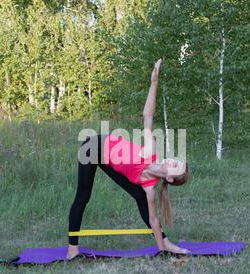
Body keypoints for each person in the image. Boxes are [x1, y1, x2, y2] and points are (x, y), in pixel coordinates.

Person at [67, 59, 190, 260]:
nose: (172, 160)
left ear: (169, 178)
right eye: (176, 160)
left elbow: (153, 217)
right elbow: (147, 115)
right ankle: (72, 249)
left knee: (141, 197)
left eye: (175, 166)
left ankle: (164, 244)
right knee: (83, 195)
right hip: (94, 146)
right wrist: (154, 82)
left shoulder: (150, 187)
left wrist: (161, 250)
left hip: (109, 161)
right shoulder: (151, 151)